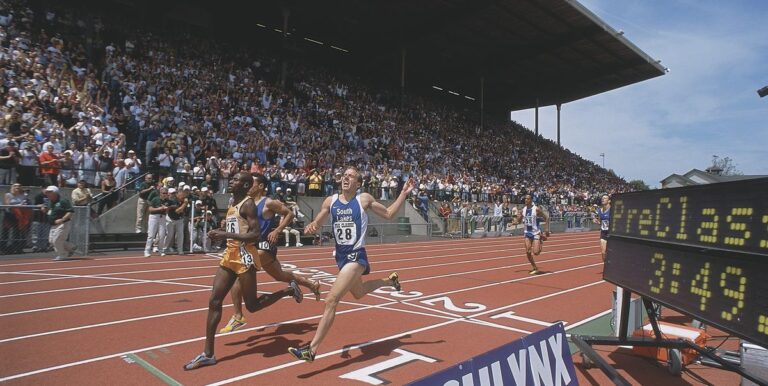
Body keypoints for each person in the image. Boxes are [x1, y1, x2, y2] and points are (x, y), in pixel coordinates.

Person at [288, 166, 413, 362]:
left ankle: (311, 350)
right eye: (344, 175)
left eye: (351, 176)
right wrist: (313, 225)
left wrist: (403, 194)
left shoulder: (363, 199)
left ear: (358, 183)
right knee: (359, 292)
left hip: (356, 256)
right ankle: (389, 281)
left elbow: (388, 214)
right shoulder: (331, 201)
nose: (346, 178)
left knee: (331, 300)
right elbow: (319, 221)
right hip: (341, 257)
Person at [183, 172, 303, 370]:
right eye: (231, 179)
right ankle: (208, 353)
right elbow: (238, 227)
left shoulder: (248, 204)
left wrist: (225, 234)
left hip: (245, 256)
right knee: (214, 301)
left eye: (236, 180)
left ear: (245, 184)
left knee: (253, 306)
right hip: (230, 255)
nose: (231, 181)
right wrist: (224, 232)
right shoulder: (232, 202)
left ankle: (289, 290)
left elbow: (255, 235)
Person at [218, 173, 320, 334]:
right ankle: (311, 284)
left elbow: (289, 214)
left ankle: (238, 316)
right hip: (250, 246)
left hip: (265, 246)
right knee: (281, 276)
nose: (248, 185)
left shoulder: (268, 202)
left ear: (260, 186)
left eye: (252, 183)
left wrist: (278, 230)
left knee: (239, 272)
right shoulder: (245, 202)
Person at [511, 194, 551, 275]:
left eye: (528, 199)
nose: (526, 200)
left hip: (535, 232)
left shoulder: (536, 209)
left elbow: (546, 217)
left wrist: (546, 229)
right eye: (525, 199)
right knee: (528, 251)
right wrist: (513, 223)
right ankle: (535, 267)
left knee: (536, 252)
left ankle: (540, 239)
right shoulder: (523, 210)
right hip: (527, 233)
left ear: (531, 200)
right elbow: (519, 221)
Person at [42, 186, 77, 261]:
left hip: (63, 224)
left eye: (49, 192)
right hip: (53, 224)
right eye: (47, 192)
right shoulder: (49, 201)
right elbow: (48, 210)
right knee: (51, 241)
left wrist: (62, 219)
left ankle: (63, 254)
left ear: (55, 193)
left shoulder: (63, 201)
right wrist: (44, 209)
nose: (47, 194)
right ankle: (70, 247)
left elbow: (70, 211)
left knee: (56, 240)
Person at [593, 194, 611, 261]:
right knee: (603, 252)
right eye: (602, 198)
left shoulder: (612, 209)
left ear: (609, 201)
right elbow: (601, 222)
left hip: (611, 233)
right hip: (603, 233)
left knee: (612, 252)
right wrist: (597, 221)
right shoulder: (600, 210)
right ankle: (606, 265)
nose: (603, 199)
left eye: (605, 198)